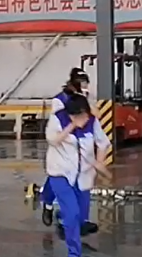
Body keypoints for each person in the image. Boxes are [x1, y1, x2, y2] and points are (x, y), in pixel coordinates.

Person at [45, 94, 110, 257]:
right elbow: (52, 140)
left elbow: (103, 143)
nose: (83, 120)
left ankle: (62, 217)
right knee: (72, 213)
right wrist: (72, 126)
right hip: (61, 173)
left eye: (84, 116)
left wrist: (100, 161)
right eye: (78, 116)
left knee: (79, 217)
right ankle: (74, 256)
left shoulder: (92, 122)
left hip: (83, 176)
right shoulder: (57, 119)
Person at [41, 68, 103, 236]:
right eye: (82, 83)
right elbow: (58, 122)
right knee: (58, 179)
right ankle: (48, 204)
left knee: (81, 183)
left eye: (87, 83)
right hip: (64, 144)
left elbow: (94, 114)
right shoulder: (60, 100)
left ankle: (79, 220)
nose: (86, 87)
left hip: (81, 143)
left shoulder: (85, 98)